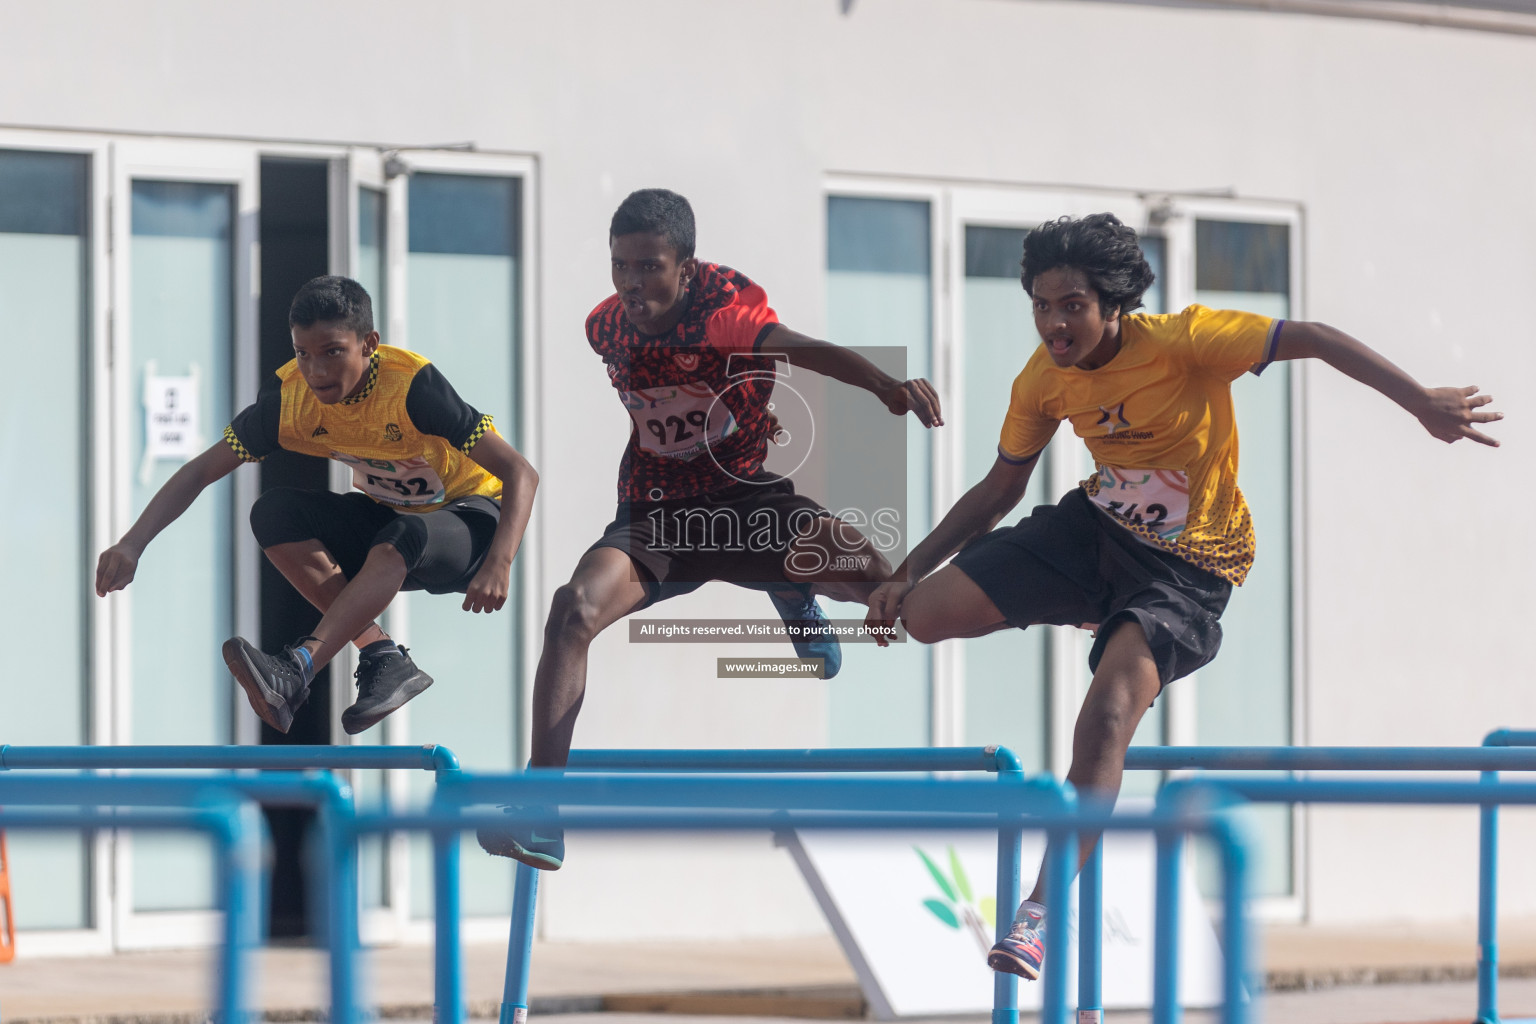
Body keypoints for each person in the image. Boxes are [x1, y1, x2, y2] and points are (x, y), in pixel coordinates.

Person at [865, 212, 1501, 980]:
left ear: (1112, 303)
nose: (1055, 323)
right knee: (925, 616)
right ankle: (1092, 609)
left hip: (1188, 569)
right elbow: (1002, 487)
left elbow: (1318, 338)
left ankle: (1038, 913)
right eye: (1040, 304)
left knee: (1105, 718)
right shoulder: (1042, 377)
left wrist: (1421, 402)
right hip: (1095, 533)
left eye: (1072, 305)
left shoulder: (1188, 340)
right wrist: (908, 569)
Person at [475, 187, 943, 870]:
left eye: (650, 269)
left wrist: (884, 385)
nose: (632, 286)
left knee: (879, 576)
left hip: (749, 503)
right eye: (620, 267)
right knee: (571, 611)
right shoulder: (604, 327)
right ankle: (544, 814)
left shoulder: (725, 311)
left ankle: (794, 593)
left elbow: (803, 350)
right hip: (658, 511)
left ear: (686, 268)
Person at [96, 275, 538, 736]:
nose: (317, 372)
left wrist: (501, 562)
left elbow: (520, 472)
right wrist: (132, 544)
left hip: (476, 521)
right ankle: (382, 655)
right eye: (302, 354)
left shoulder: (412, 388)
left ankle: (298, 668)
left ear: (369, 344)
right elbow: (200, 470)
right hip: (397, 523)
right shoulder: (289, 402)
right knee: (274, 513)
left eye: (333, 352)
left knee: (402, 535)